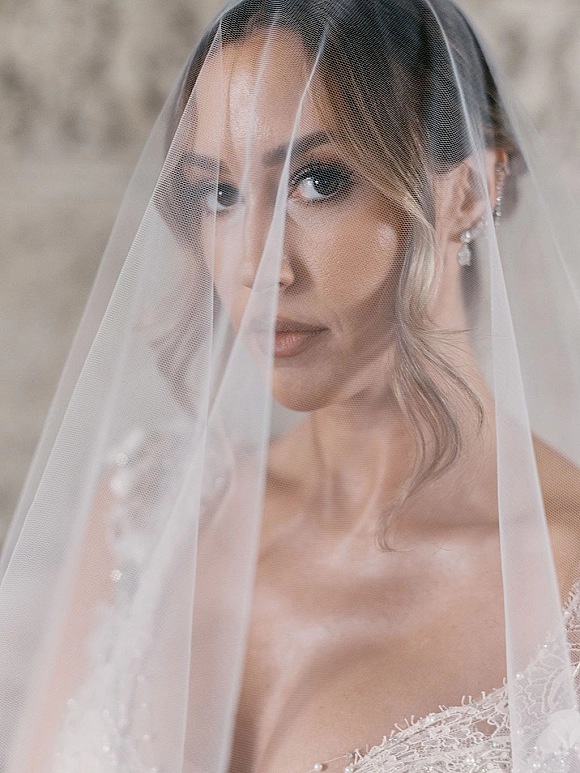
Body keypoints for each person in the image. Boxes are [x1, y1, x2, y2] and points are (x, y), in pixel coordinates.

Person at [1, 0, 580, 771]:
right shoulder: (144, 514)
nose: (255, 265)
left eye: (318, 181)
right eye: (220, 193)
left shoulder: (565, 583)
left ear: (469, 189)